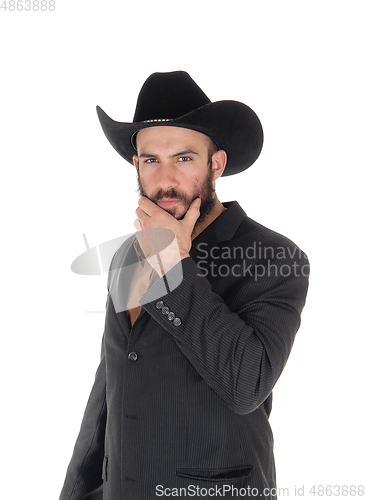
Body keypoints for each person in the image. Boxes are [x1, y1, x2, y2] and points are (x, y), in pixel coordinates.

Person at [59, 71, 309, 500]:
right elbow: (110, 383)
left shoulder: (274, 257)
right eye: (151, 160)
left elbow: (246, 384)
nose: (165, 177)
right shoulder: (127, 256)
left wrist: (173, 266)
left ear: (216, 164)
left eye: (184, 158)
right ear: (136, 165)